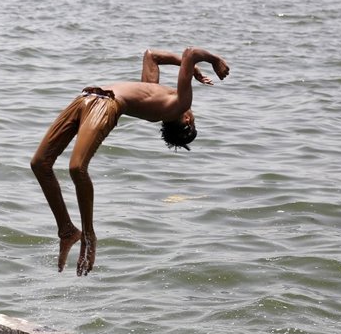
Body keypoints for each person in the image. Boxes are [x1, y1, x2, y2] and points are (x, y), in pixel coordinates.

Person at [30, 46, 229, 277]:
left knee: (77, 168)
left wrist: (214, 60)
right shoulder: (156, 94)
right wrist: (190, 68)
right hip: (86, 97)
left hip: (105, 103)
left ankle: (88, 236)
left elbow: (190, 52)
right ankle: (66, 231)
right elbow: (151, 55)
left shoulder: (181, 104)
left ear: (186, 120)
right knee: (40, 163)